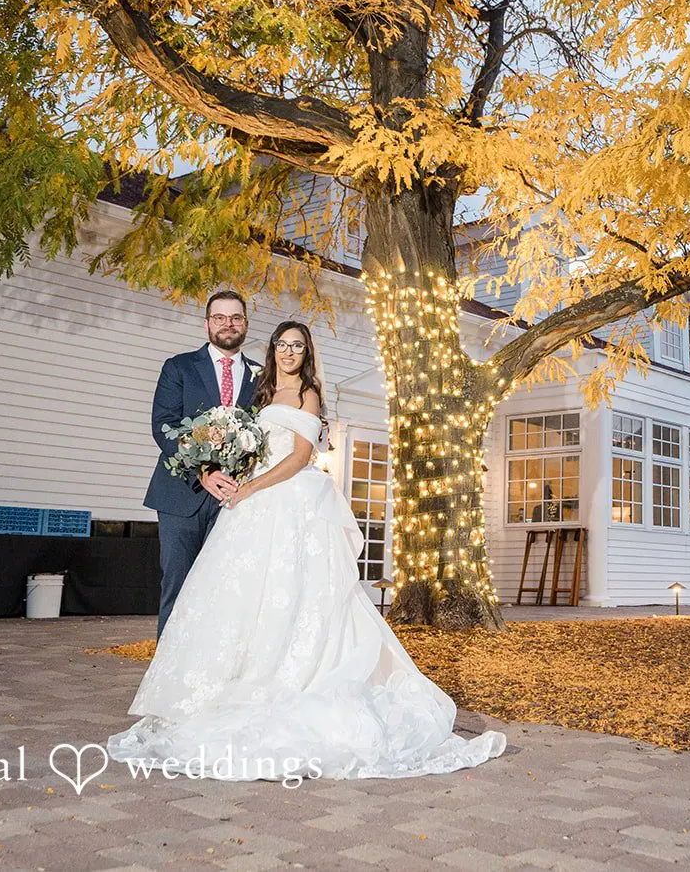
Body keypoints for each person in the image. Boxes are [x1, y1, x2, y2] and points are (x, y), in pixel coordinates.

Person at [108, 321, 507, 781]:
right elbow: (251, 445)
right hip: (250, 505)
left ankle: (293, 673)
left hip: (287, 498)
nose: (289, 352)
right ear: (274, 348)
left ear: (306, 352)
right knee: (241, 593)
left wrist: (251, 487)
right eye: (283, 344)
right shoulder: (259, 393)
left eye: (298, 346)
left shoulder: (308, 395)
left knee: (296, 591)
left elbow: (298, 457)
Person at [144, 291, 263, 638]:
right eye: (220, 318)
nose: (228, 324)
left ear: (245, 323)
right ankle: (166, 670)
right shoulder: (179, 367)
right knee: (178, 584)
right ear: (207, 323)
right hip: (181, 496)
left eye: (236, 317)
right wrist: (203, 471)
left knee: (225, 589)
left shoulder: (261, 375)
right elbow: (163, 425)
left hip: (236, 501)